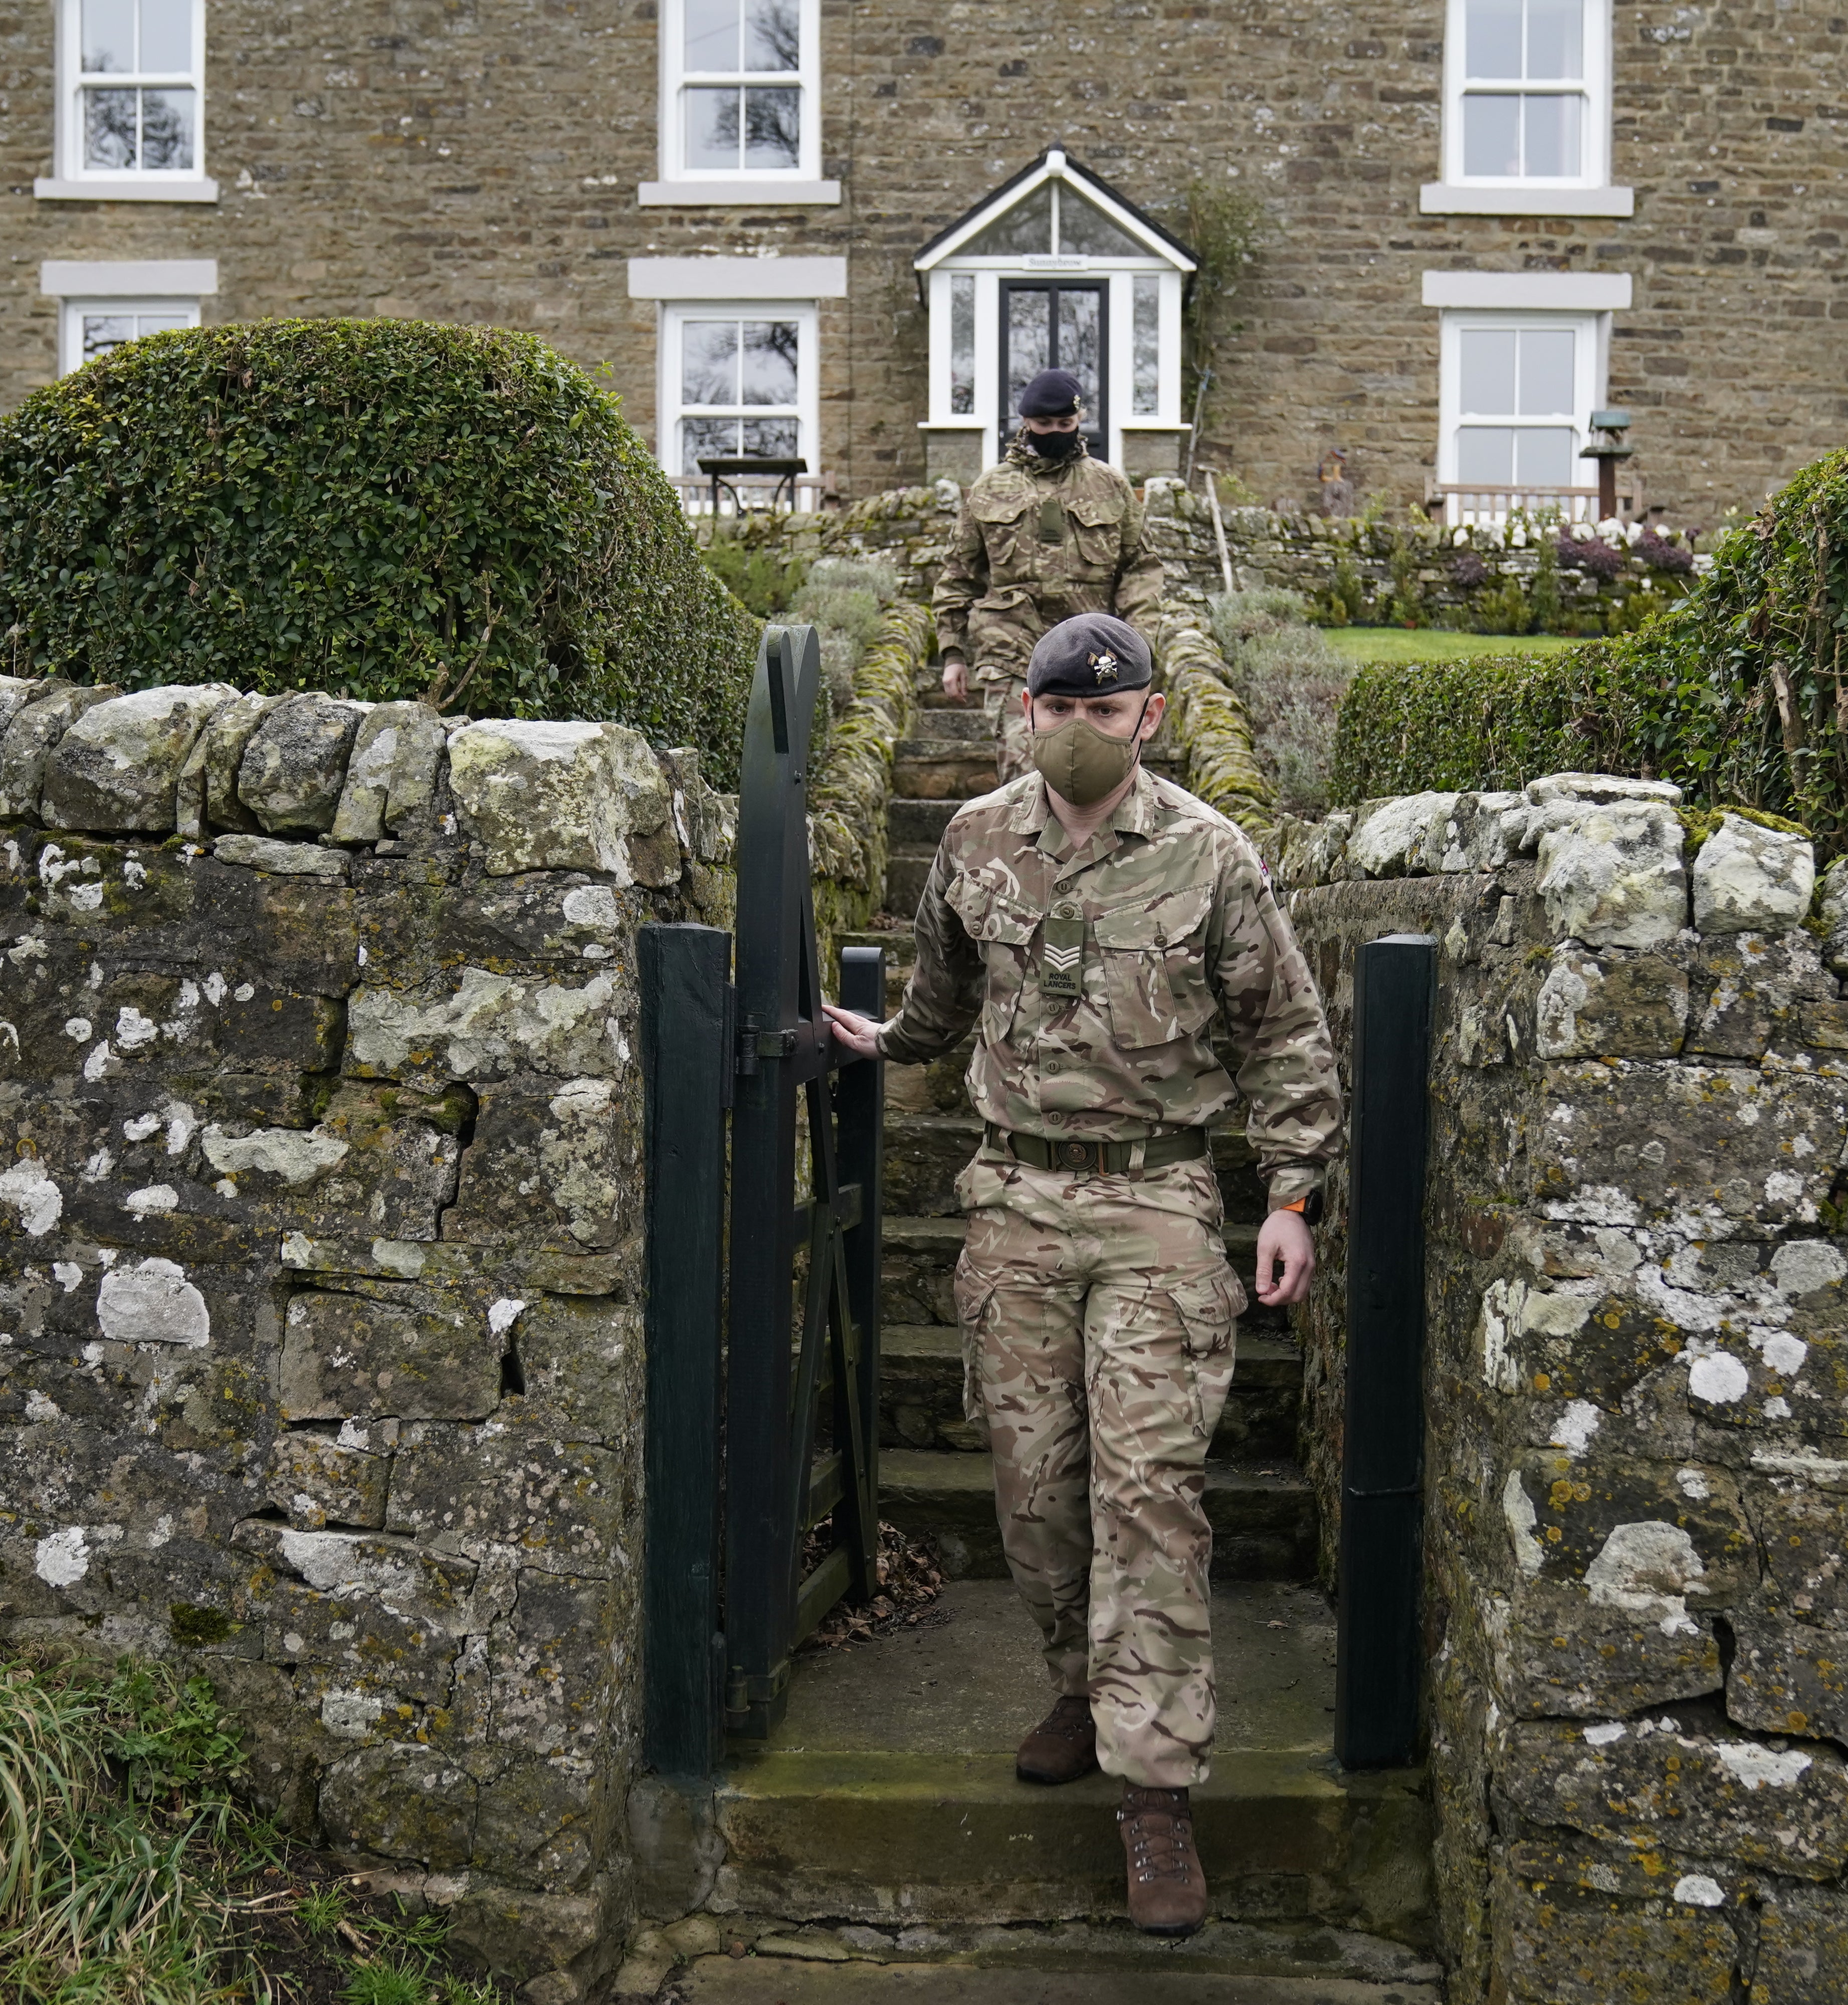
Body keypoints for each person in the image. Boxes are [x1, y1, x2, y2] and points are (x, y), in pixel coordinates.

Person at [820, 612, 1342, 1937]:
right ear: (1026, 711)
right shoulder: (975, 841)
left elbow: (1286, 1036)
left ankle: (1156, 1793)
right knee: (1035, 1486)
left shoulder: (1210, 858)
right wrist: (881, 1039)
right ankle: (1080, 1681)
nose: (1081, 729)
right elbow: (942, 1005)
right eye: (1060, 707)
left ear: (1149, 718)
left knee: (1149, 1489)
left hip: (1158, 1202)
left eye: (1106, 713)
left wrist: (1291, 1196)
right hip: (1014, 1203)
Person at [931, 368, 1167, 783]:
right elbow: (959, 574)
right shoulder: (990, 488)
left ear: (1079, 422)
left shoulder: (1110, 485)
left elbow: (1140, 568)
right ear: (1025, 422)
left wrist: (1139, 643)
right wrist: (952, 652)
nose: (1054, 432)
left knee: (1098, 768)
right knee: (1024, 771)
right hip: (1011, 647)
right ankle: (1027, 848)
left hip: (1094, 649)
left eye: (1065, 424)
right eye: (1044, 424)